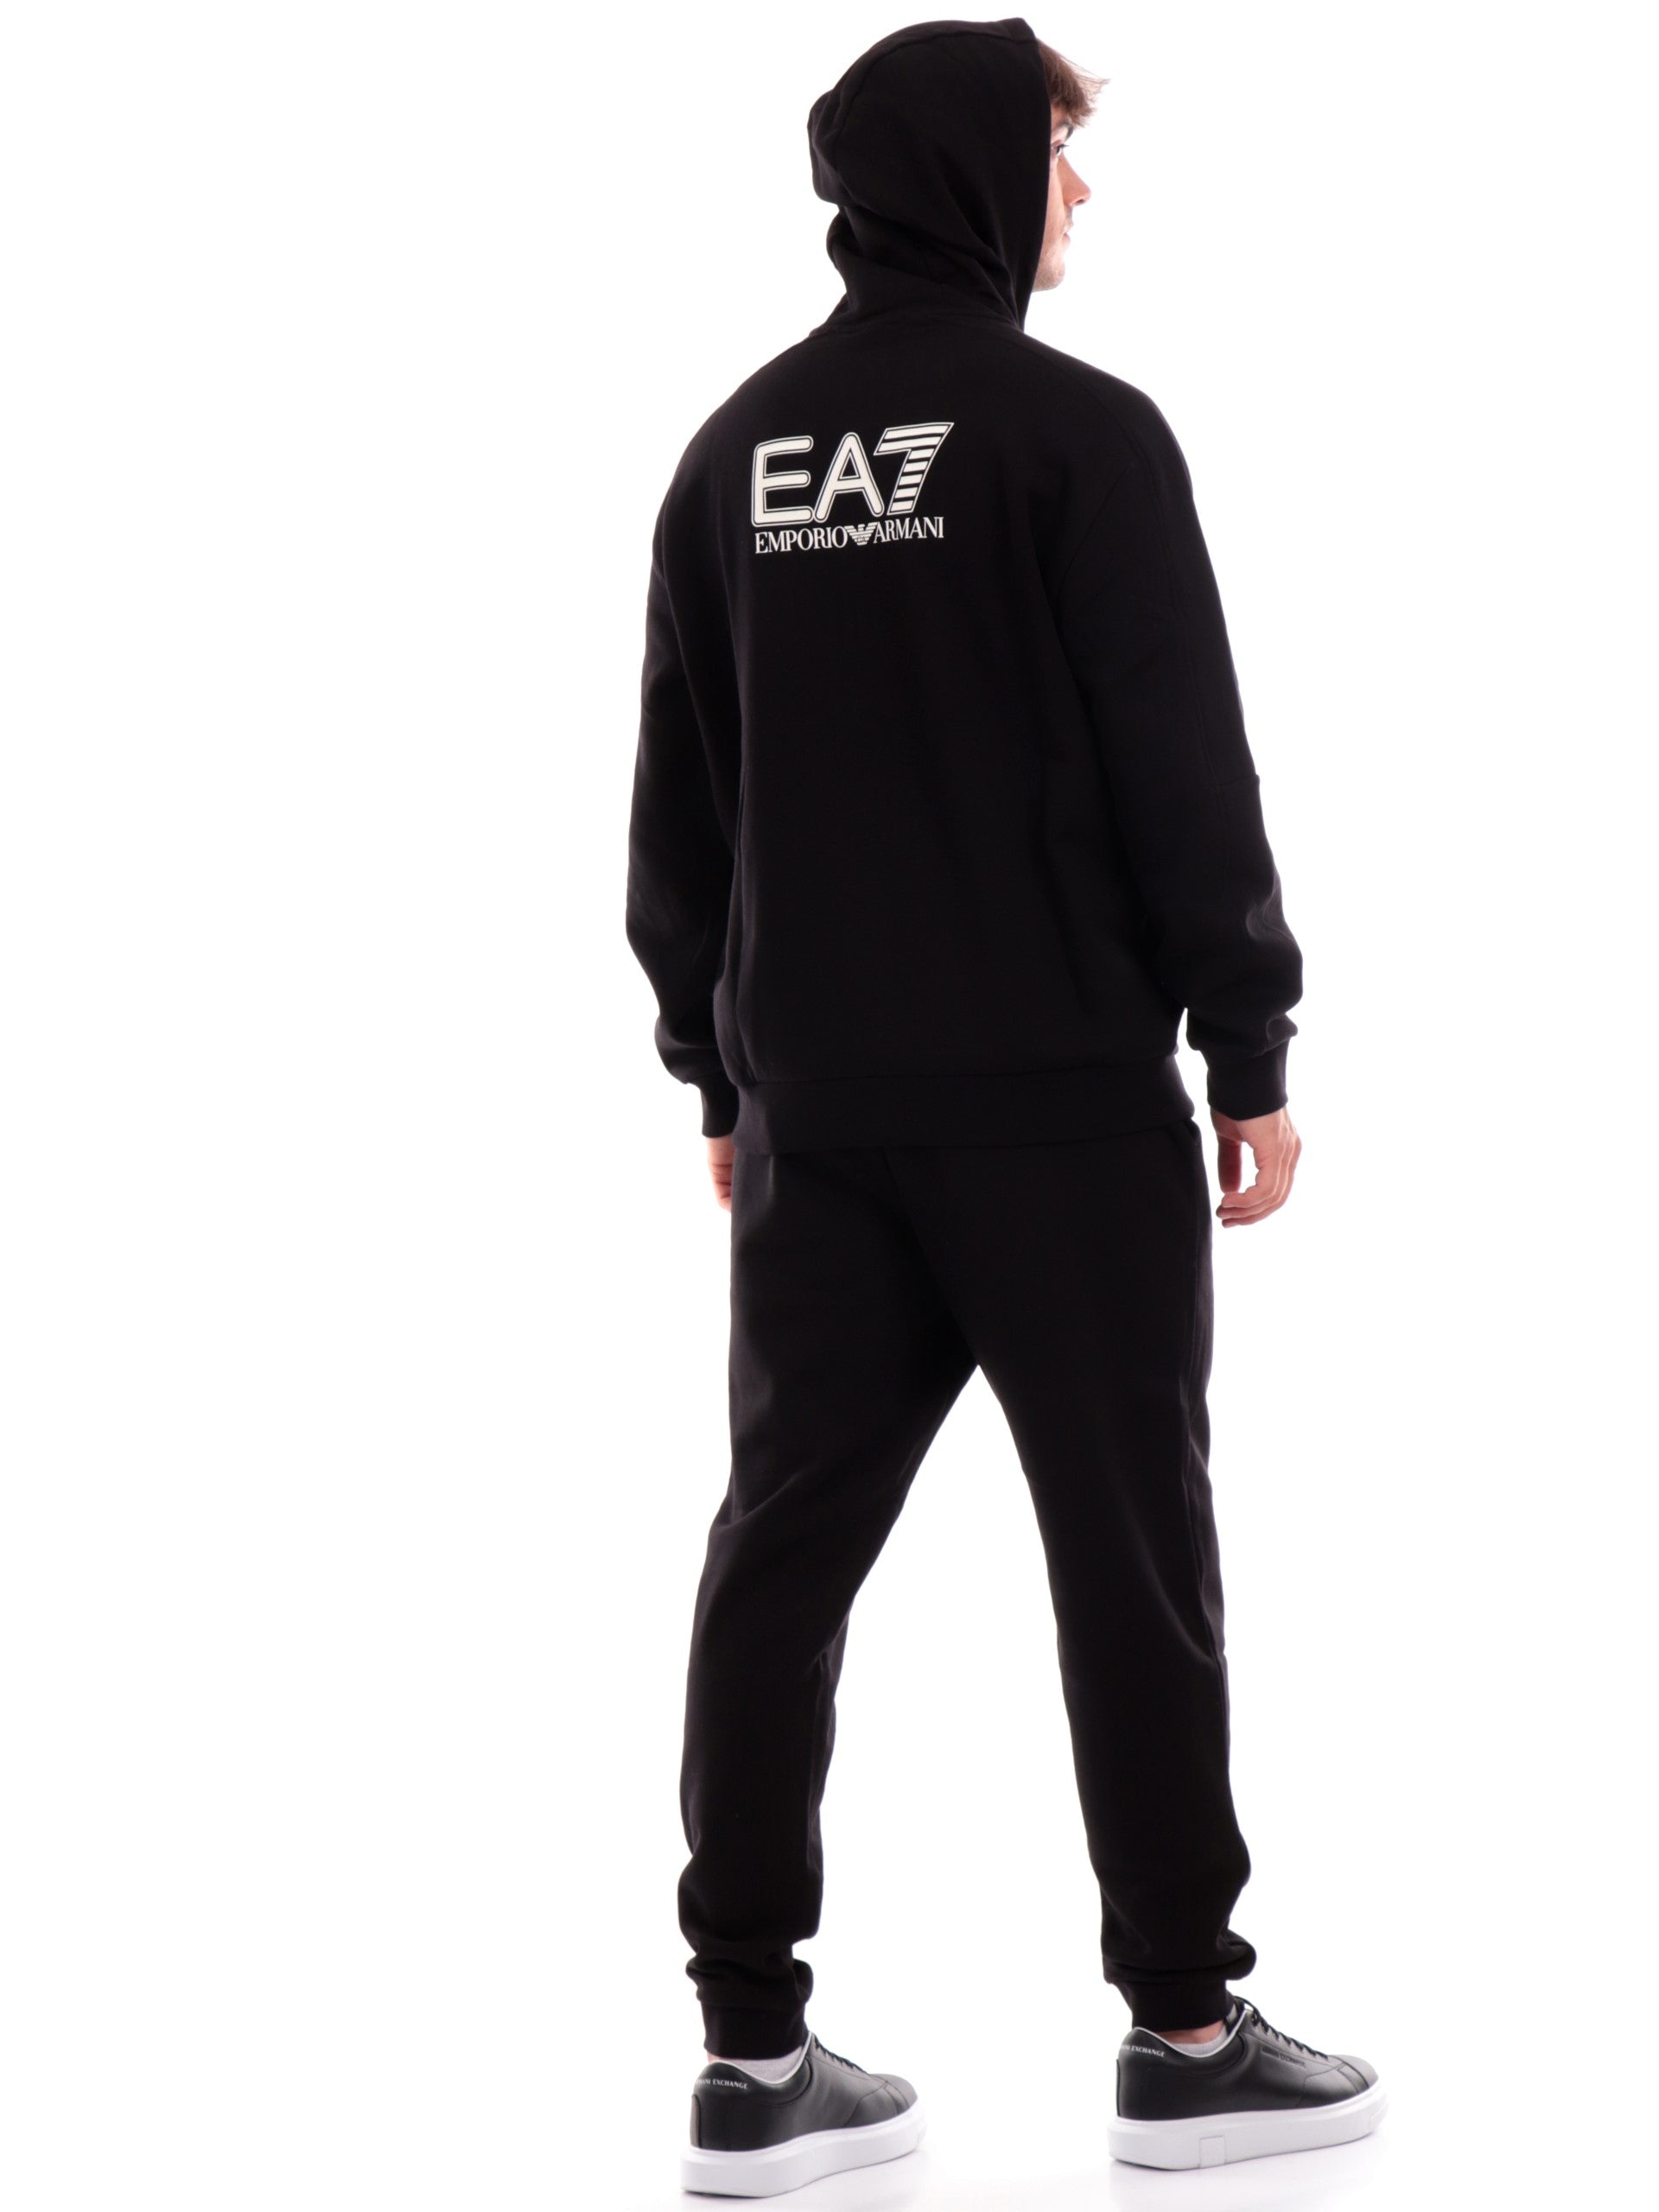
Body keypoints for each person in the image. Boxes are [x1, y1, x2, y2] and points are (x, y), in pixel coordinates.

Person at [626, 16, 1384, 2191]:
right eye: (1061, 148)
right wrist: (1250, 1041)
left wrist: (716, 1061)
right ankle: (1187, 2030)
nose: (1084, 191)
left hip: (822, 1121)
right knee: (1131, 1561)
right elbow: (1181, 760)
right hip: (1061, 1116)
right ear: (976, 165)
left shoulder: (736, 454)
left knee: (778, 1554)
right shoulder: (1079, 438)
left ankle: (748, 2056)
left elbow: (682, 800)